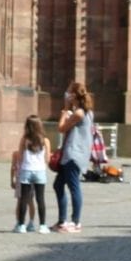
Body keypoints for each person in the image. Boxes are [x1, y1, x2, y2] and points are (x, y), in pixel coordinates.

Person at [52, 81, 98, 233]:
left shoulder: (79, 113)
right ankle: (62, 221)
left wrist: (65, 110)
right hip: (72, 153)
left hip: (74, 154)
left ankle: (75, 222)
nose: (65, 95)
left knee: (74, 186)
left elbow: (61, 128)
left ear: (73, 95)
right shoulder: (87, 112)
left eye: (68, 92)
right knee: (58, 185)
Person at [10, 116, 51, 234]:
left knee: (24, 198)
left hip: (26, 170)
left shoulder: (24, 139)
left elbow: (20, 157)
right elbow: (47, 158)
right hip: (40, 171)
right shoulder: (45, 140)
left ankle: (21, 225)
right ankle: (42, 226)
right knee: (40, 199)